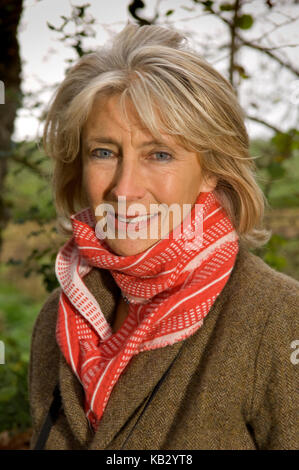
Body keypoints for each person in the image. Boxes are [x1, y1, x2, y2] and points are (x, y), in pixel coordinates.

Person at [28, 22, 299, 450]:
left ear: (211, 170)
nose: (124, 188)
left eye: (159, 154)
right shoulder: (59, 317)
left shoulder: (279, 316)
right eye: (104, 152)